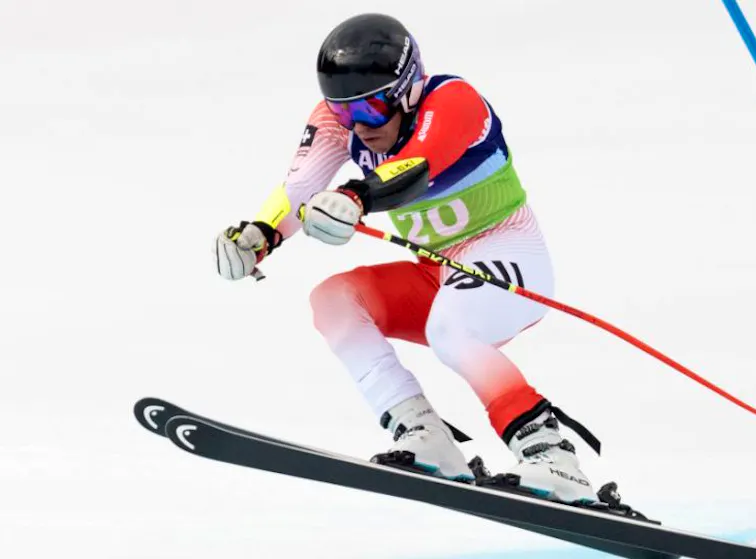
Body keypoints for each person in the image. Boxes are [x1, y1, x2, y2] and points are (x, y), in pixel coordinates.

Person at [211, 13, 600, 504]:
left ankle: (551, 456)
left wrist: (356, 195)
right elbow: (300, 188)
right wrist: (258, 235)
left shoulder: (454, 101)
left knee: (450, 330)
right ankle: (424, 434)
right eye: (344, 112)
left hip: (508, 255)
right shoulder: (339, 121)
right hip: (437, 274)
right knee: (332, 300)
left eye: (372, 109)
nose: (358, 125)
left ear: (408, 90)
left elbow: (416, 165)